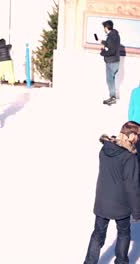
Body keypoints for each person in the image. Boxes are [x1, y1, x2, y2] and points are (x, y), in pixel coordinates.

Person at [84, 121, 140, 264]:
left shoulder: (105, 150)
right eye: (138, 135)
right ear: (132, 135)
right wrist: (137, 211)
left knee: (98, 234)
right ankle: (121, 261)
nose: (139, 139)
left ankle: (89, 262)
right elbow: (132, 186)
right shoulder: (129, 157)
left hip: (102, 202)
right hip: (121, 205)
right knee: (123, 233)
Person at [99, 20, 121, 106]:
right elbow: (111, 45)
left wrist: (103, 53)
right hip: (115, 61)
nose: (103, 29)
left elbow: (112, 51)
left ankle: (112, 98)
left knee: (110, 80)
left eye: (104, 27)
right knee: (112, 80)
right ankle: (113, 97)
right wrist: (102, 41)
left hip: (111, 62)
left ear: (106, 27)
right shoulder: (115, 35)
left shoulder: (111, 37)